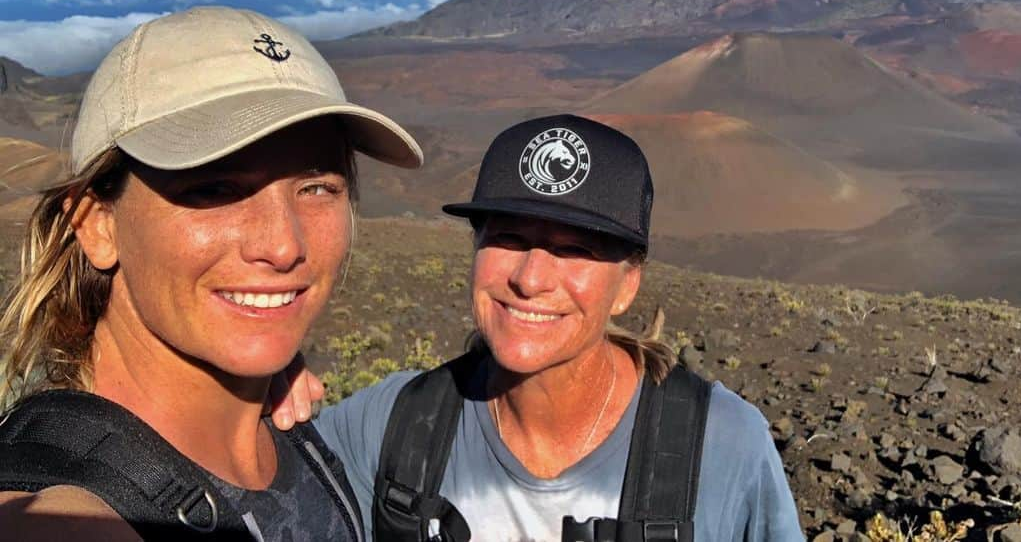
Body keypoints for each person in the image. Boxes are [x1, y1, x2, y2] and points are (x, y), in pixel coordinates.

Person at [0, 6, 423, 541]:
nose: (283, 244)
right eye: (214, 189)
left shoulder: (287, 429)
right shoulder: (67, 517)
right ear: (97, 224)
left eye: (317, 187)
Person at [283, 114, 803, 541]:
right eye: (508, 238)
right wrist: (257, 390)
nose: (530, 278)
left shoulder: (722, 446)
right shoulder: (388, 427)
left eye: (575, 250)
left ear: (627, 285)